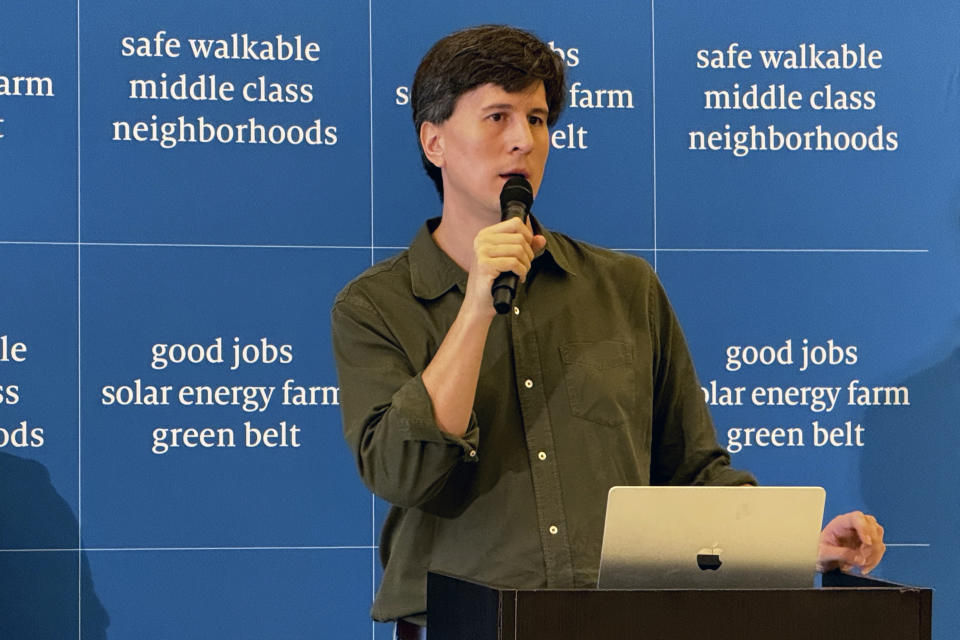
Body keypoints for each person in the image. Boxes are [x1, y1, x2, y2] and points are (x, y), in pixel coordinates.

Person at [331, 25, 885, 637]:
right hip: (460, 626)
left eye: (538, 119)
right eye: (497, 116)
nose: (523, 140)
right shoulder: (374, 306)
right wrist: (476, 311)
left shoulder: (625, 288)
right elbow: (400, 473)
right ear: (434, 141)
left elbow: (692, 473)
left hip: (620, 623)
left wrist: (796, 545)